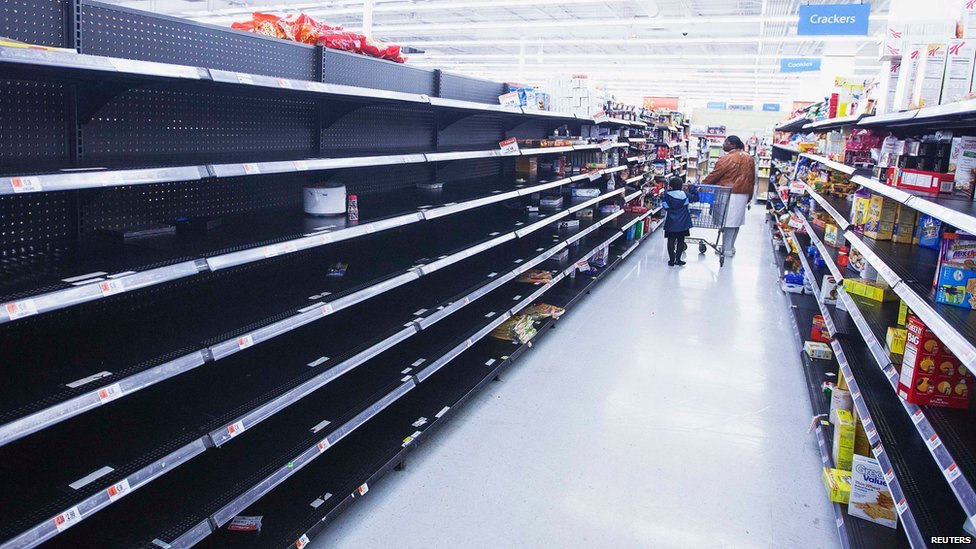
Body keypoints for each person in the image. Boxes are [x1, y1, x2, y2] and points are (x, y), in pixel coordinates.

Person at [701, 135, 755, 257]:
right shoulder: (749, 158)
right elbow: (752, 179)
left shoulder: (727, 158)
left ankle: (726, 249)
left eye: (726, 142)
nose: (723, 144)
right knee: (736, 222)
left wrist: (703, 184)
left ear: (733, 145)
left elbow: (716, 174)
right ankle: (730, 246)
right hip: (744, 193)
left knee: (728, 222)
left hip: (729, 192)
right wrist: (750, 196)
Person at [661, 176, 692, 267]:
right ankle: (678, 259)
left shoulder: (667, 196)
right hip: (683, 223)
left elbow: (665, 207)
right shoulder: (685, 195)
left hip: (671, 223)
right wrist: (692, 188)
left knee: (670, 241)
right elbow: (694, 199)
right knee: (681, 241)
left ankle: (671, 260)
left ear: (670, 187)